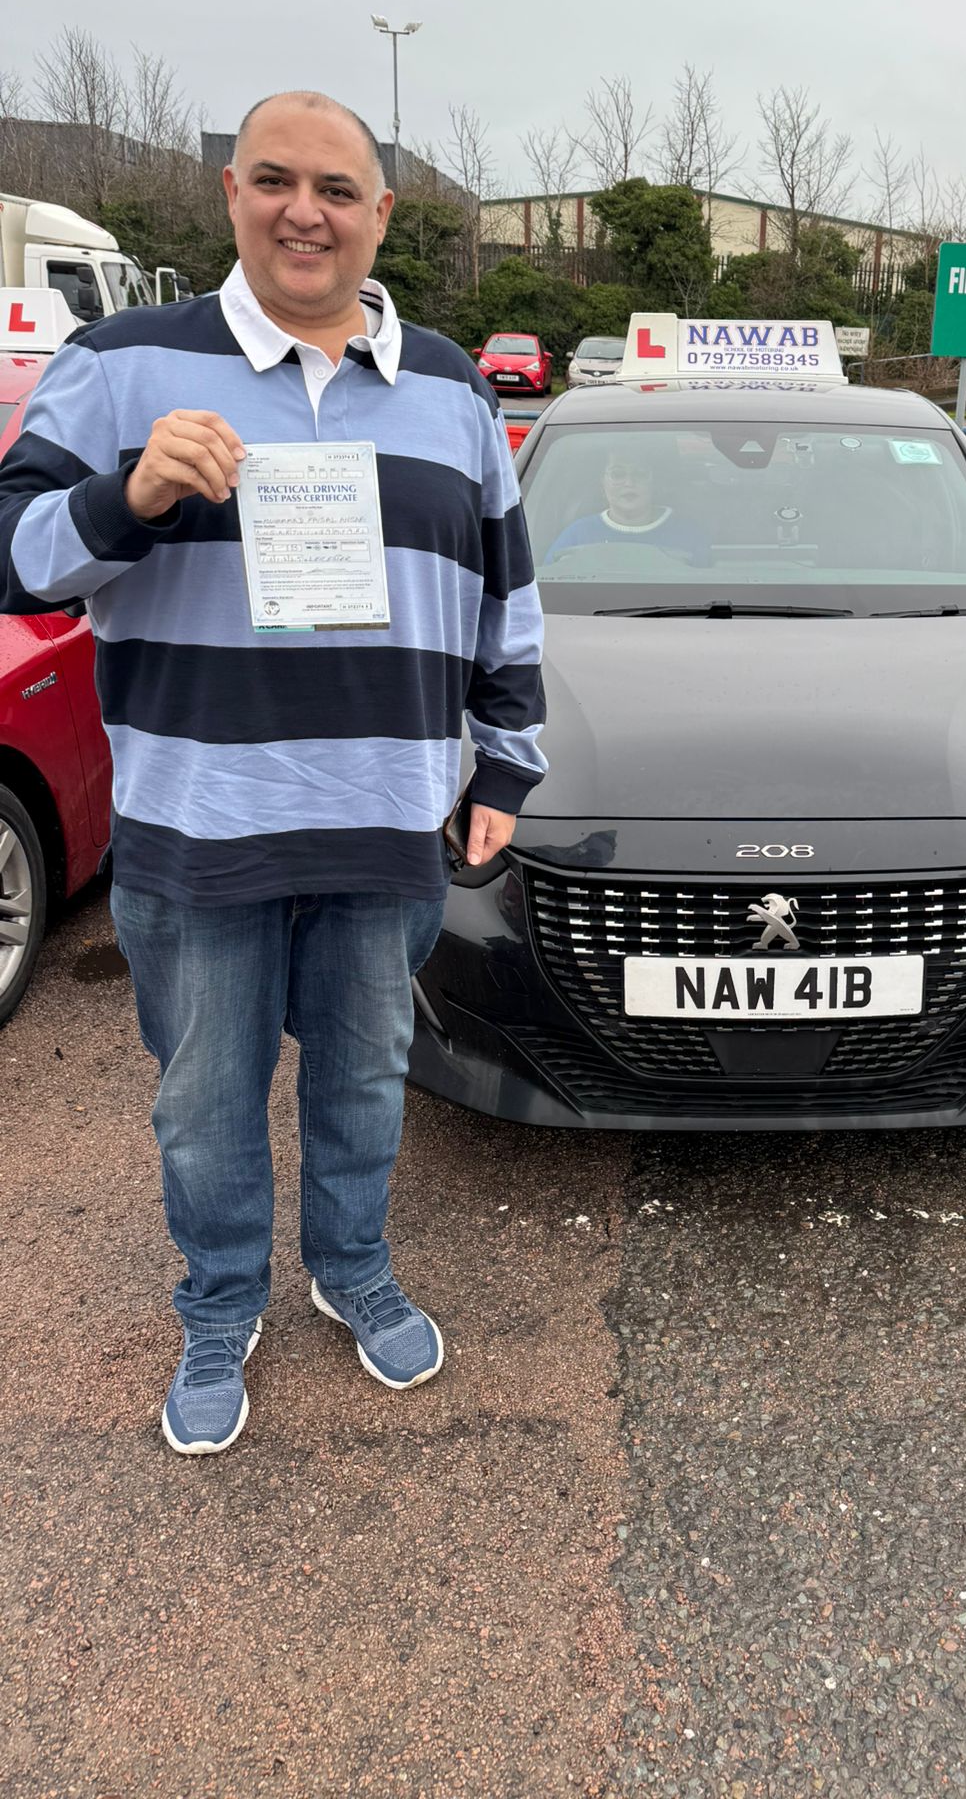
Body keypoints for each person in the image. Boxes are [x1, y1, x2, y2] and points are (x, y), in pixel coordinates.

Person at [0, 91, 546, 1455]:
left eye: (338, 189)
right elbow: (12, 559)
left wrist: (506, 763)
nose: (308, 211)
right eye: (277, 181)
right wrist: (126, 496)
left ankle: (350, 1266)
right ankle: (219, 1298)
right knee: (205, 1104)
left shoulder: (451, 387)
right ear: (232, 194)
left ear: (381, 215)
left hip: (384, 822)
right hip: (201, 827)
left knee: (365, 1083)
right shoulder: (122, 364)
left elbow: (507, 590)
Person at [547, 446, 711, 564]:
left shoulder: (688, 533)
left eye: (640, 473)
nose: (629, 482)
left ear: (654, 482)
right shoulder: (578, 534)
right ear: (602, 482)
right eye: (617, 474)